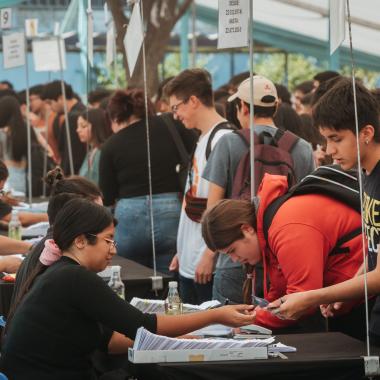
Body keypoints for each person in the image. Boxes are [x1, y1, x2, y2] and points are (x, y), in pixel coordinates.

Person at [1, 198, 255, 379]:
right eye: (108, 240)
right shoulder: (73, 278)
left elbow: (109, 342)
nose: (113, 250)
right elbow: (144, 325)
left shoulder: (63, 274)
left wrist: (175, 338)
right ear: (80, 241)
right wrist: (215, 315)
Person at [268, 77, 380, 346]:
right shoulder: (366, 174)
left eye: (336, 139)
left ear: (366, 132)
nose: (330, 151)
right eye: (326, 140)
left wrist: (314, 296)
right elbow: (374, 251)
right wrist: (349, 290)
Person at [201, 173, 366, 338]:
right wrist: (258, 314)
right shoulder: (271, 225)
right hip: (348, 297)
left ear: (246, 229)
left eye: (232, 250)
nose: (235, 259)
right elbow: (281, 290)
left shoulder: (286, 227)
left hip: (363, 298)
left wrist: (250, 321)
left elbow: (302, 300)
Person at [202, 75, 315, 305]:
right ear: (275, 106)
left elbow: (212, 209)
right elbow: (308, 207)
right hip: (283, 260)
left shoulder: (228, 143)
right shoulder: (302, 148)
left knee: (231, 335)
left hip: (234, 260)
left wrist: (209, 254)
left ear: (242, 107)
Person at [99, 88, 196, 274]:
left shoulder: (111, 145)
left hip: (129, 215)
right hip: (171, 210)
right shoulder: (171, 125)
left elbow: (108, 194)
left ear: (116, 117)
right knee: (170, 276)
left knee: (132, 276)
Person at [165, 68, 235, 304]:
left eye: (177, 107)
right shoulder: (204, 137)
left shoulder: (221, 139)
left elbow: (222, 206)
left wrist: (209, 252)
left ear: (193, 101)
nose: (176, 115)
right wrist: (182, 250)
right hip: (190, 255)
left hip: (204, 260)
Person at [11, 166, 104, 307]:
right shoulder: (61, 253)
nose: (103, 221)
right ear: (76, 211)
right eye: (98, 213)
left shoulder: (51, 245)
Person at [42, 81, 86, 175]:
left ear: (61, 98)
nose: (50, 107)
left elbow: (71, 157)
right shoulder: (82, 110)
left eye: (50, 103)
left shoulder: (73, 118)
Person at [76, 108, 111, 185]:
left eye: (83, 126)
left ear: (96, 126)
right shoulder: (91, 151)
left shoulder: (101, 152)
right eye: (78, 126)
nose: (78, 130)